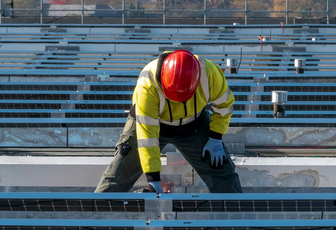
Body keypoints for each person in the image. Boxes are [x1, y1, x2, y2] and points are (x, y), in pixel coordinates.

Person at [95, 49, 242, 193]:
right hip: (151, 124)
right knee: (118, 176)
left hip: (194, 125)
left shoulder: (210, 73)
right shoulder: (147, 84)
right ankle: (97, 207)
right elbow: (148, 138)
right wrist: (153, 178)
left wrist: (215, 138)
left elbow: (225, 106)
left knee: (223, 175)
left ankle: (235, 208)